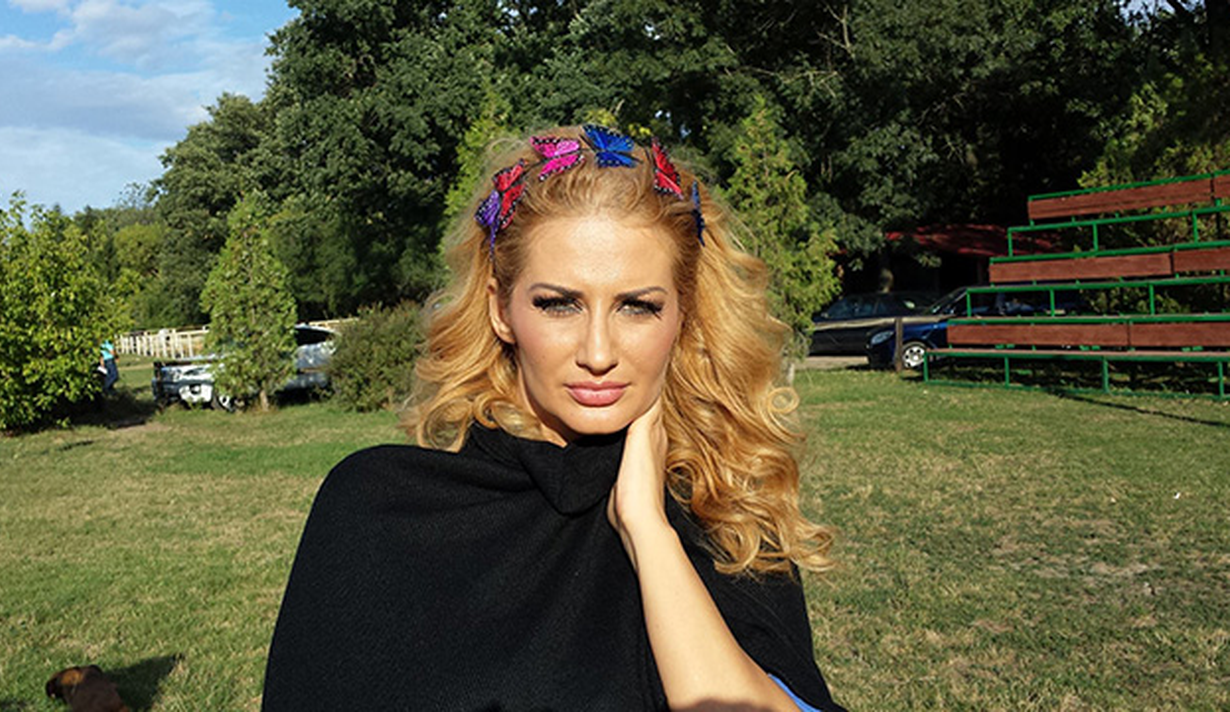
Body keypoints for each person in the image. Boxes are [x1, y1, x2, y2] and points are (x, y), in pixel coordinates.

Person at [263, 125, 844, 711]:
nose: (598, 353)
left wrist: (648, 531)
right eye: (559, 304)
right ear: (500, 310)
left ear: (682, 315)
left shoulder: (725, 516)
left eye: (637, 307)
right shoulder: (383, 507)